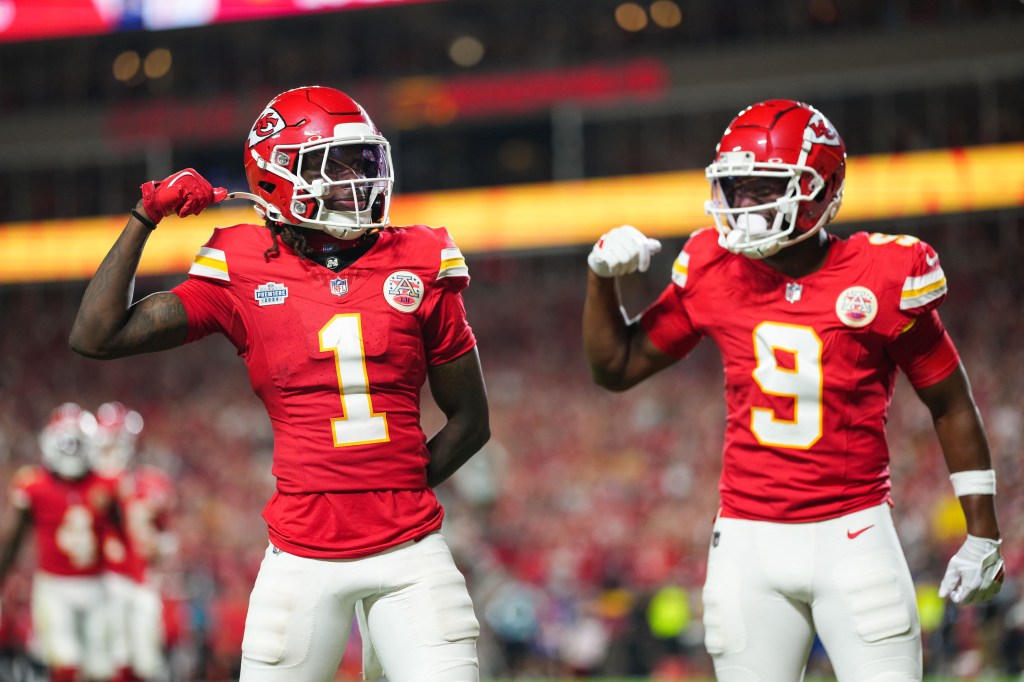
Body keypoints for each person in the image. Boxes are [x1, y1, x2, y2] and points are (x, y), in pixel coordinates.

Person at [69, 85, 490, 682]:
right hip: (300, 558)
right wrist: (146, 216)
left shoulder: (418, 257)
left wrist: (387, 484)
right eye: (335, 166)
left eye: (362, 163)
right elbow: (97, 334)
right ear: (275, 177)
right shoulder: (240, 263)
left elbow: (473, 422)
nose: (357, 182)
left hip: (411, 554)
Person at [582, 99, 1004, 680]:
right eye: (739, 188)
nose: (747, 206)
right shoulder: (711, 267)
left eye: (766, 187)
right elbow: (616, 366)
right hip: (748, 541)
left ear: (822, 189)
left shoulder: (880, 275)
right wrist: (602, 280)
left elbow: (949, 401)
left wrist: (981, 532)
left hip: (852, 531)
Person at [0, 403, 119, 682]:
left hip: (98, 586)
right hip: (55, 587)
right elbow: (12, 541)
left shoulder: (107, 485)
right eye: (66, 442)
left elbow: (125, 539)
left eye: (77, 442)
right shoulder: (34, 486)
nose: (72, 449)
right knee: (64, 664)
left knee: (101, 669)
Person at [92, 401, 175, 682]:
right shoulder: (92, 485)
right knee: (112, 659)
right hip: (103, 580)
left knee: (147, 662)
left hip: (142, 579)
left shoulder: (152, 483)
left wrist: (159, 546)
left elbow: (167, 538)